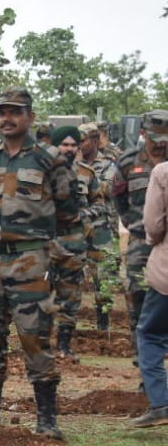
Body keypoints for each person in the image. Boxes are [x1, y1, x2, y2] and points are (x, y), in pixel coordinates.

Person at [0, 89, 80, 439]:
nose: (7, 118)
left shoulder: (49, 159)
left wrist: (52, 255)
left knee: (35, 336)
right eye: (2, 113)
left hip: (30, 260)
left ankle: (47, 417)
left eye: (15, 112)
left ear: (30, 118)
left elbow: (68, 213)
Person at [113, 112, 168, 335]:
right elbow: (118, 197)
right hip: (139, 240)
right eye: (155, 139)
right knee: (136, 293)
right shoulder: (127, 162)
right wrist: (132, 224)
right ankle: (139, 348)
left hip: (166, 243)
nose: (160, 145)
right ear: (143, 134)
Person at [47, 126, 90, 360]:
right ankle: (39, 344)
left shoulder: (86, 173)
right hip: (45, 242)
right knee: (39, 295)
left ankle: (64, 344)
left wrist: (82, 216)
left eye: (74, 145)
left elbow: (102, 204)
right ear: (55, 146)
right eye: (64, 144)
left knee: (70, 296)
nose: (69, 149)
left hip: (72, 243)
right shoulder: (41, 171)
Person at [132, 153, 168, 427]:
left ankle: (160, 403)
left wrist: (154, 240)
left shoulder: (162, 172)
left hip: (166, 273)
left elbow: (154, 225)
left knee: (150, 335)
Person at [77, 123, 119, 330]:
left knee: (103, 277)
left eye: (83, 140)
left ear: (94, 141)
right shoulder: (71, 164)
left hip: (101, 229)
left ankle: (104, 322)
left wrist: (85, 179)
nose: (79, 145)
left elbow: (107, 189)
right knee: (72, 276)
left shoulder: (108, 164)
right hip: (77, 229)